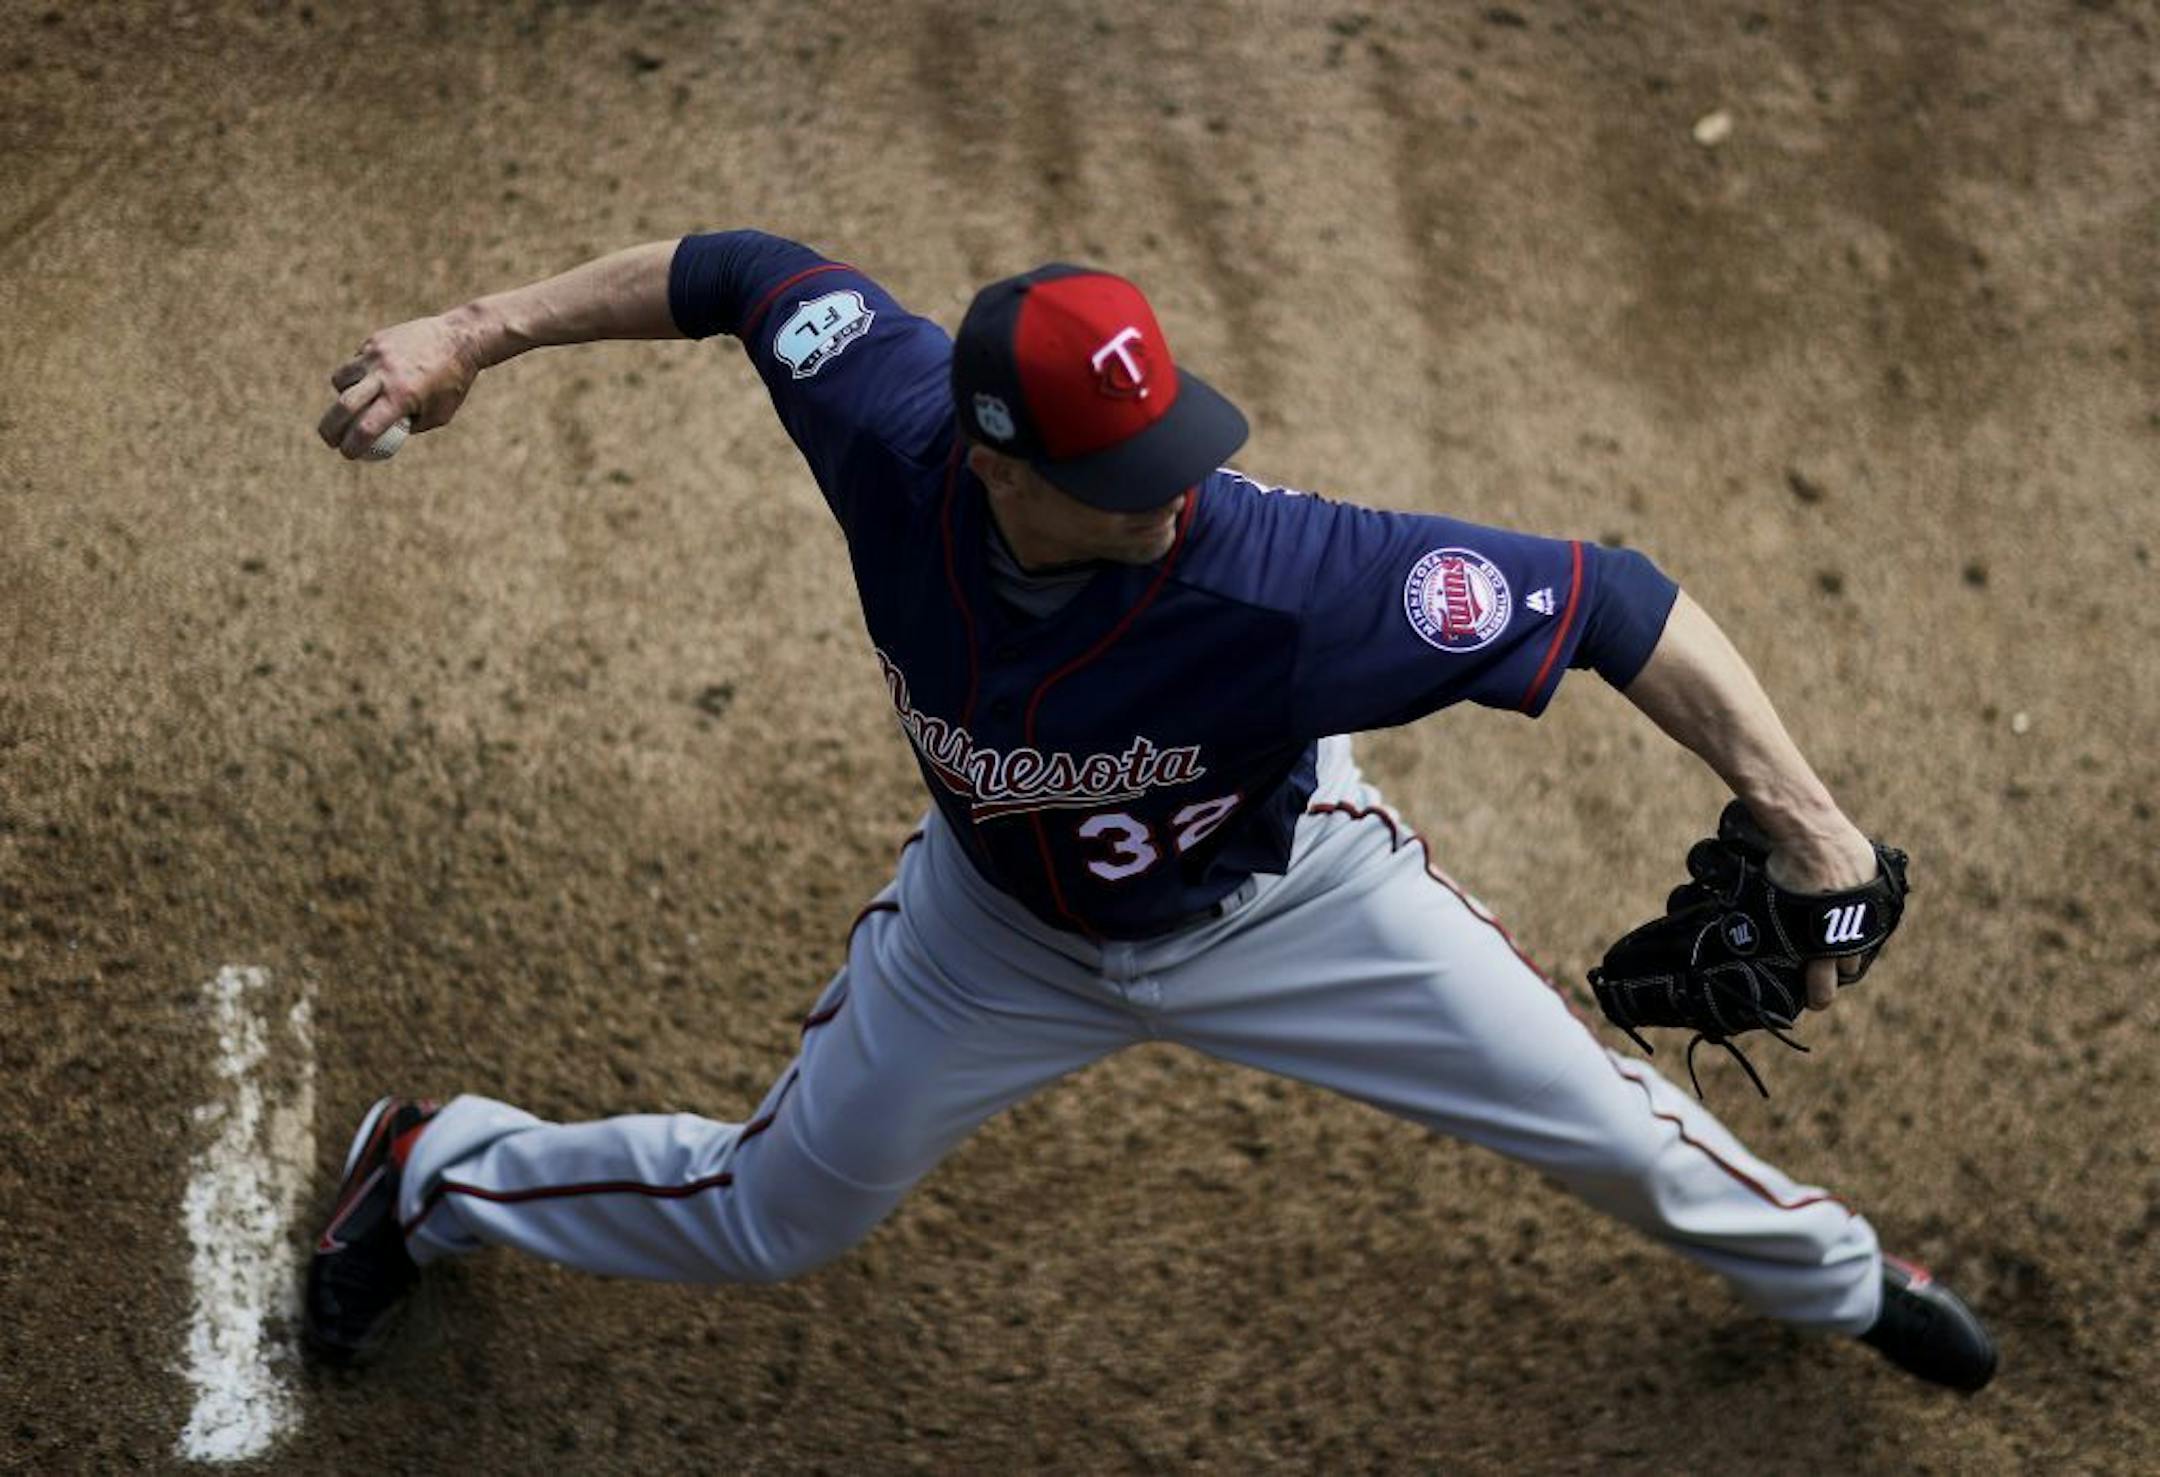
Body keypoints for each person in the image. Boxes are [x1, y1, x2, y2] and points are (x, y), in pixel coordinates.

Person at [305, 231, 1996, 1390]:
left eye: (1173, 446)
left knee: (1602, 1118)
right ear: (997, 465)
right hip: (993, 938)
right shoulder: (890, 426)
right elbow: (735, 275)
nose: (1172, 492)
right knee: (777, 1208)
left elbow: (1619, 603)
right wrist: (472, 336)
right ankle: (432, 1166)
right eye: (1119, 478)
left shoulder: (1293, 584)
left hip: (1288, 903)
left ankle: (1851, 1283)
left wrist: (1815, 826)